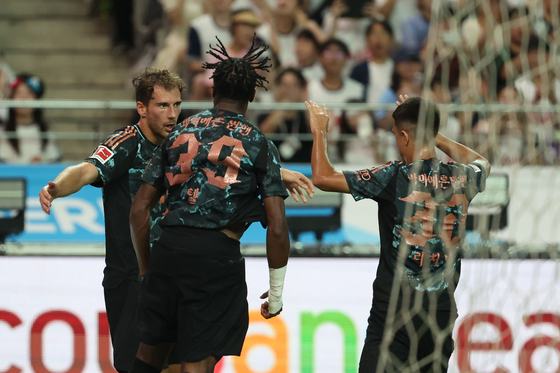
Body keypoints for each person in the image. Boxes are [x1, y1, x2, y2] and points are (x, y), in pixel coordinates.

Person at [38, 67, 312, 373]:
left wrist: (277, 172)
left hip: (166, 266)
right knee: (144, 364)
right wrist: (57, 187)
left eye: (177, 105)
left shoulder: (185, 140)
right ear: (141, 108)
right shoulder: (128, 142)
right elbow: (86, 169)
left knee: (170, 362)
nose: (172, 114)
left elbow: (223, 157)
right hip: (132, 274)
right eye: (163, 106)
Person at [128, 38, 295, 373]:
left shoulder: (180, 131)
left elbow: (138, 210)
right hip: (214, 257)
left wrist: (148, 268)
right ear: (252, 95)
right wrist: (275, 294)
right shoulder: (258, 142)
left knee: (149, 355)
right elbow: (276, 225)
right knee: (197, 362)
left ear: (213, 88)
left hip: (167, 249)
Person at [305, 95, 490, 372]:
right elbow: (482, 161)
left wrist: (319, 131)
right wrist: (431, 135)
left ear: (404, 136)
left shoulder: (393, 176)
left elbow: (322, 177)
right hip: (439, 314)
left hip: (393, 311)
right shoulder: (464, 177)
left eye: (396, 135)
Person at [0, 74, 61, 163]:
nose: (23, 98)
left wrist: (40, 164)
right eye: (19, 93)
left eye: (29, 93)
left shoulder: (46, 131)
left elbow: (55, 161)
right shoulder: (3, 131)